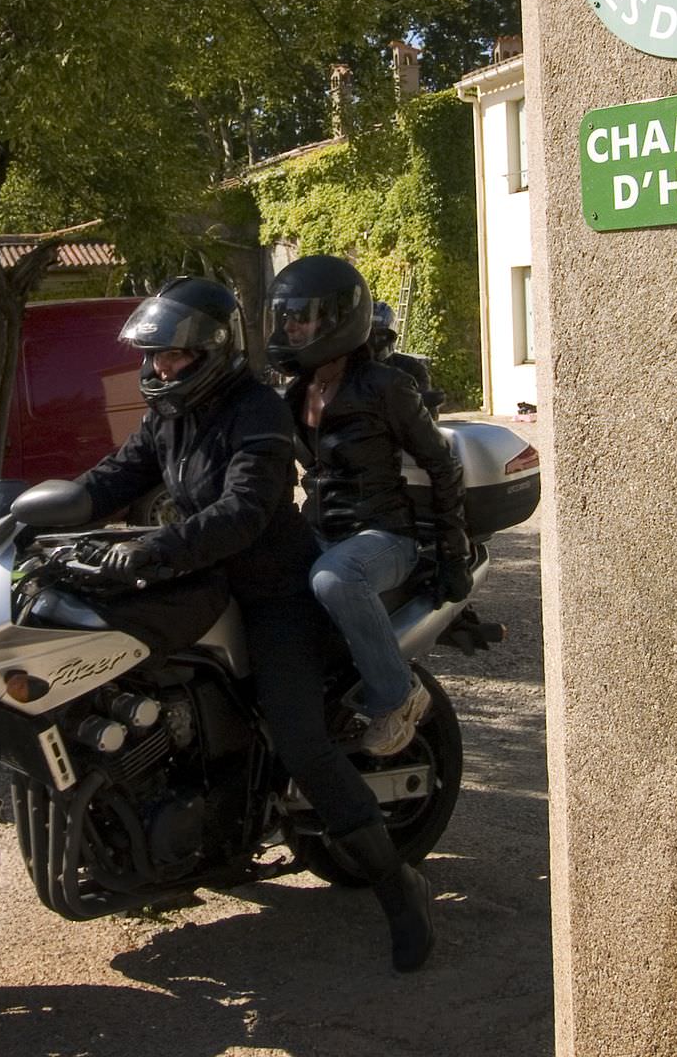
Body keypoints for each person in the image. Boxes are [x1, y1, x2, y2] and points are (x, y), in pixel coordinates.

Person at [73, 276, 435, 972]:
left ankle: (398, 887)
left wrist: (151, 550)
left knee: (300, 738)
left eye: (170, 357)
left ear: (210, 350)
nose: (157, 369)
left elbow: (243, 511)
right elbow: (113, 477)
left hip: (274, 598)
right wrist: (27, 513)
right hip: (204, 584)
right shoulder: (171, 414)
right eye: (152, 358)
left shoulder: (258, 412)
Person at [268, 257, 470, 759]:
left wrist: (452, 549)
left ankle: (398, 695)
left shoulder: (386, 387)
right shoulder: (296, 393)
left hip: (383, 536)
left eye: (303, 314)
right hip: (320, 531)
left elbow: (441, 465)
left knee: (333, 578)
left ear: (337, 318)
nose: (291, 324)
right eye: (286, 314)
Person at [368, 301, 435, 400]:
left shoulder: (412, 369)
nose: (375, 341)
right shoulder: (346, 368)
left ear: (392, 336)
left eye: (382, 334)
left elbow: (427, 412)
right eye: (370, 335)